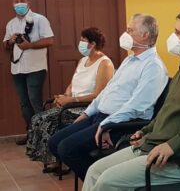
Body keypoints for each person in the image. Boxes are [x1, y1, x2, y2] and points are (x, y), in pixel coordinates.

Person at [82, 10, 180, 191]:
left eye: (178, 33)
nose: (172, 37)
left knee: (107, 181)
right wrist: (145, 131)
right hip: (152, 145)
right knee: (94, 171)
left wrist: (172, 145)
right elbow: (166, 113)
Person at [48, 13, 168, 181]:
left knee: (66, 149)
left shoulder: (153, 66)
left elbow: (137, 106)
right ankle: (100, 179)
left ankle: (101, 182)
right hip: (100, 117)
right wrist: (87, 113)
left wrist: (107, 124)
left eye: (130, 30)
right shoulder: (129, 60)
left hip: (121, 124)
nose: (125, 34)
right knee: (54, 143)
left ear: (145, 35)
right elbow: (107, 91)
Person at [26, 27, 114, 171]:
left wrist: (72, 101)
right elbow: (72, 84)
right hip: (71, 103)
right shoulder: (82, 60)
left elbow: (99, 94)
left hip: (86, 107)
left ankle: (60, 159)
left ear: (92, 44)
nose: (80, 43)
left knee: (48, 120)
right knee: (38, 118)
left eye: (83, 40)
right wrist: (65, 97)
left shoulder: (105, 63)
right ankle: (54, 158)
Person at [3, 0, 54, 145]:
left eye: (21, 1)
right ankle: (31, 134)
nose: (19, 4)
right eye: (16, 2)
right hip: (17, 69)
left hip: (35, 68)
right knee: (24, 103)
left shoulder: (39, 20)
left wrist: (29, 45)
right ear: (12, 4)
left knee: (35, 102)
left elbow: (50, 40)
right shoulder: (11, 24)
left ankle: (43, 137)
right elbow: (5, 45)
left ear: (28, 2)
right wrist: (11, 41)